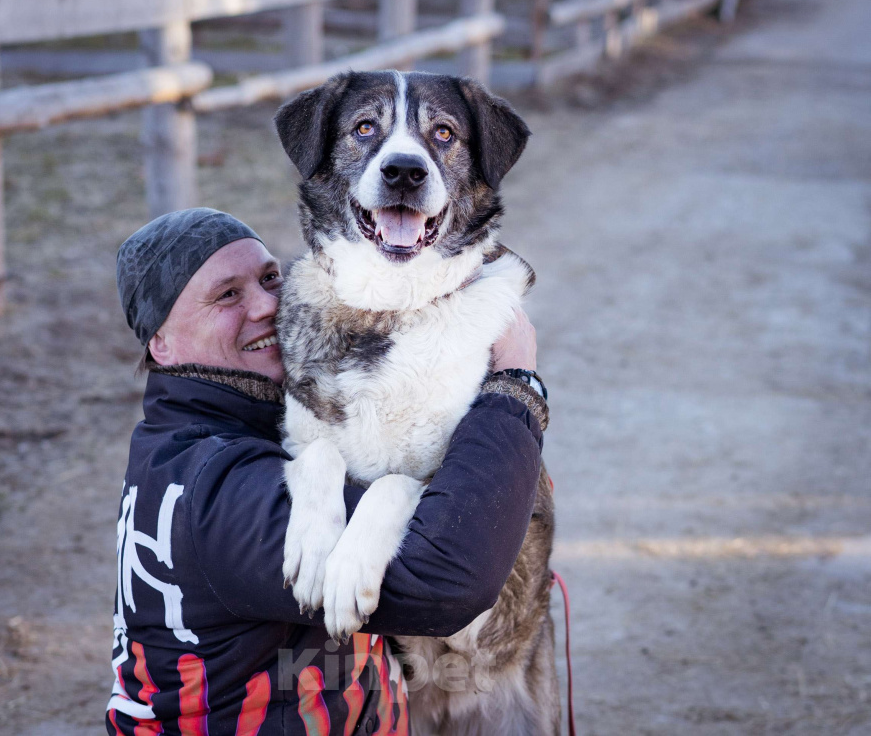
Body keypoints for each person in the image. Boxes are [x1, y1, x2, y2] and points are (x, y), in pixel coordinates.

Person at [107, 207, 549, 736]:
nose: (269, 304)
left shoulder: (225, 430)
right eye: (227, 295)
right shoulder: (215, 485)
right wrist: (516, 386)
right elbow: (444, 579)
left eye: (270, 277)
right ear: (162, 344)